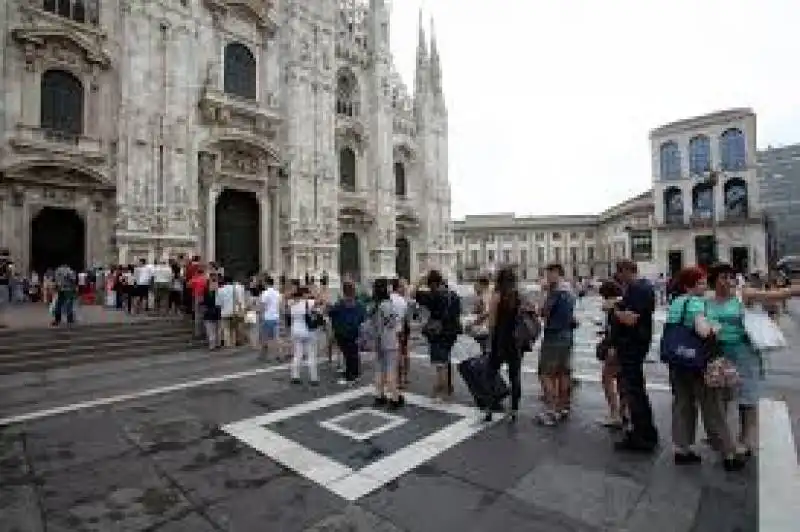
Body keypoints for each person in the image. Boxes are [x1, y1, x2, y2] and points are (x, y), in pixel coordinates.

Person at [664, 266, 746, 470]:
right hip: (698, 363)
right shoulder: (695, 303)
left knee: (682, 403)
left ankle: (682, 449)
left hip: (677, 360)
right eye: (700, 283)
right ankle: (728, 453)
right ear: (689, 285)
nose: (704, 286)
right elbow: (703, 331)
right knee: (713, 407)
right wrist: (715, 328)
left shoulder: (676, 301)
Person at [612, 259, 658, 452]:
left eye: (620, 273)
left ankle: (643, 434)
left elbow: (630, 319)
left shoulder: (638, 289)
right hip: (636, 343)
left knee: (634, 390)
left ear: (628, 271)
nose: (618, 277)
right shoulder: (642, 287)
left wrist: (614, 311)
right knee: (635, 389)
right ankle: (644, 431)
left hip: (633, 345)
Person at [537, 263, 576, 425]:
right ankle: (563, 407)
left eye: (549, 274)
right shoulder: (569, 291)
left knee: (545, 373)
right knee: (563, 372)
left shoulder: (556, 292)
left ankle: (552, 411)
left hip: (554, 336)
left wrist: (542, 296)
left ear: (556, 273)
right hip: (567, 335)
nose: (547, 277)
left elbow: (544, 312)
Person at [414, 270, 461, 402]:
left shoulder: (433, 295)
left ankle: (442, 391)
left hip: (438, 332)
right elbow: (457, 312)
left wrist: (420, 280)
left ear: (432, 283)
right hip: (452, 332)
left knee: (440, 364)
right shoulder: (453, 294)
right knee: (446, 359)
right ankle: (448, 387)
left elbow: (413, 293)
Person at [485, 266, 525, 422]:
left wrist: (490, 339)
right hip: (514, 340)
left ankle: (489, 408)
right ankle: (514, 409)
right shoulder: (517, 295)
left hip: (499, 339)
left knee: (491, 374)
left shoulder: (497, 296)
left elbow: (492, 322)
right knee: (514, 376)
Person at [370, 278, 404, 408]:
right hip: (389, 340)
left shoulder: (373, 304)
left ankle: (379, 395)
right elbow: (392, 323)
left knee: (379, 369)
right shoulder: (386, 304)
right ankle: (395, 398)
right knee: (391, 369)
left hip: (377, 340)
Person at [597, 279, 624, 428]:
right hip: (625, 348)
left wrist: (612, 346)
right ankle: (623, 412)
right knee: (622, 380)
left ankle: (614, 414)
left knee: (607, 379)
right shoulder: (624, 302)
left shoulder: (612, 306)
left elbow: (615, 329)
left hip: (615, 348)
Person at [329, 280, 367, 384]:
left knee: (348, 354)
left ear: (344, 291)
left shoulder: (340, 304)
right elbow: (363, 317)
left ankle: (350, 376)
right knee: (354, 353)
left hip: (343, 333)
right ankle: (356, 373)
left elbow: (331, 313)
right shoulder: (358, 304)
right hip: (355, 332)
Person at [288, 285, 319, 385]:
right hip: (307, 331)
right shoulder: (308, 303)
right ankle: (313, 378)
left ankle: (295, 376)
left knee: (297, 354)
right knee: (311, 354)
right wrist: (314, 292)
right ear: (304, 294)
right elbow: (321, 300)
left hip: (296, 330)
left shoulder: (291, 304)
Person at [391, 278, 411, 389]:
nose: (404, 288)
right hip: (401, 329)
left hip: (393, 330)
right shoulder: (402, 301)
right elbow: (406, 318)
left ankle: (398, 379)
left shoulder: (389, 299)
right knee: (403, 353)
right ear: (398, 288)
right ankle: (403, 378)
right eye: (402, 286)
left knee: (397, 355)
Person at [259, 276, 281, 358]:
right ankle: (278, 354)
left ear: (266, 283)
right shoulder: (277, 293)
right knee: (276, 337)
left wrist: (261, 314)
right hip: (276, 316)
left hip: (268, 317)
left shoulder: (265, 293)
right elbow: (280, 305)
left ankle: (263, 354)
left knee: (265, 337)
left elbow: (263, 306)